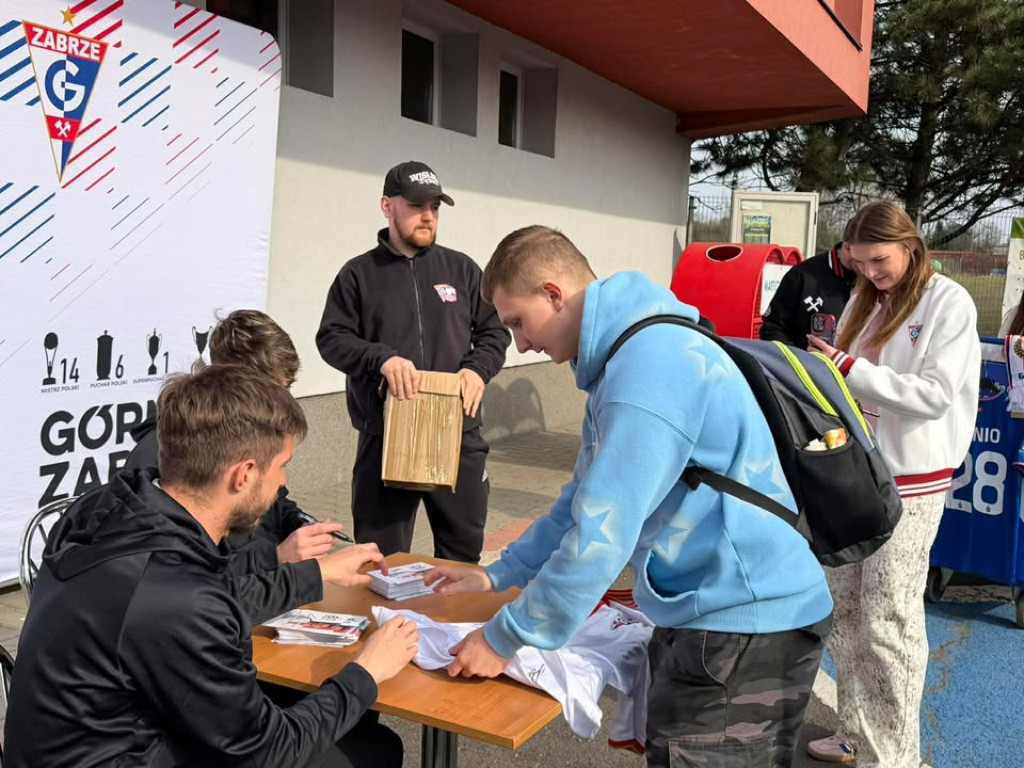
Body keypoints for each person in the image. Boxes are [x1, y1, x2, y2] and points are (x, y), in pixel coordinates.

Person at [423, 225, 834, 767]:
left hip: (740, 622)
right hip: (723, 611)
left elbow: (602, 532)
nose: (520, 343)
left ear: (553, 293)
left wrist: (505, 638)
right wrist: (499, 573)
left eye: (518, 322)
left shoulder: (648, 367)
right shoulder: (630, 353)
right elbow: (581, 499)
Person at [4, 365, 418, 767]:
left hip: (82, 743)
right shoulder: (174, 592)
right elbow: (269, 751)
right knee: (372, 749)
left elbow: (204, 603)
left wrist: (316, 574)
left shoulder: (115, 514)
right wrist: (366, 671)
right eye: (282, 466)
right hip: (121, 752)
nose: (281, 484)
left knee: (346, 722)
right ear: (243, 475)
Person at [805, 201, 980, 767]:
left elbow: (935, 395)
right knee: (848, 610)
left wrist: (849, 370)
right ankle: (859, 733)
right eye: (860, 265)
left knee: (890, 618)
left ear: (909, 245)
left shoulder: (948, 300)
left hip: (916, 480)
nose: (871, 273)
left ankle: (898, 756)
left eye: (879, 260)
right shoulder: (867, 298)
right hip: (861, 471)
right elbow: (851, 384)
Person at [316, 161, 510, 563]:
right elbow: (331, 339)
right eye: (417, 205)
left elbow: (494, 331)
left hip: (458, 434)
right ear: (387, 206)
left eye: (435, 207)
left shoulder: (461, 270)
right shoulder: (358, 275)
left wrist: (477, 369)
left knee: (461, 561)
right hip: (386, 436)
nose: (428, 216)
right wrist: (380, 358)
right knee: (379, 564)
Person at [126, 309, 341, 571]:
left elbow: (276, 503)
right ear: (232, 379)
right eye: (271, 392)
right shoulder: (161, 453)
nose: (282, 402)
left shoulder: (254, 437)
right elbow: (177, 574)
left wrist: (300, 524)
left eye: (285, 390)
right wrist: (276, 558)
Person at [760, 235, 857, 347]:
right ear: (847, 248)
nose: (870, 271)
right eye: (861, 261)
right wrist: (798, 360)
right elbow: (773, 328)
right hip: (804, 360)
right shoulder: (802, 275)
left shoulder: (873, 282)